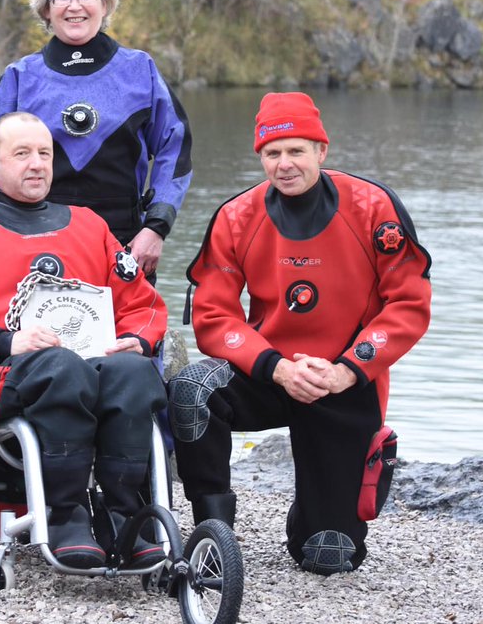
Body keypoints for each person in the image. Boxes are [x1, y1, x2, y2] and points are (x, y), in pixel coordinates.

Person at [168, 92, 431, 575]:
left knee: (328, 557)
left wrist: (347, 370)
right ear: (261, 157)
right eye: (272, 153)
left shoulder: (373, 207)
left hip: (343, 381)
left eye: (296, 150)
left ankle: (318, 507)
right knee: (191, 388)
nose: (284, 164)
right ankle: (212, 533)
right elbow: (213, 315)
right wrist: (276, 368)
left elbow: (409, 306)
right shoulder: (237, 216)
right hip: (268, 373)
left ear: (321, 151)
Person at [0, 112, 168, 569]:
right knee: (60, 367)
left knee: (134, 373)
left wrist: (136, 341)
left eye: (44, 153)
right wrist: (4, 341)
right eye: (21, 153)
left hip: (86, 366)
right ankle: (65, 516)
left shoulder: (89, 226)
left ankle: (125, 516)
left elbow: (143, 305)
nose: (37, 163)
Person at [0, 0, 191, 279]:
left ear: (105, 3)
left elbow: (175, 148)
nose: (75, 6)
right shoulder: (20, 78)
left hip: (124, 244)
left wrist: (156, 227)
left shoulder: (139, 70)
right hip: (34, 245)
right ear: (46, 9)